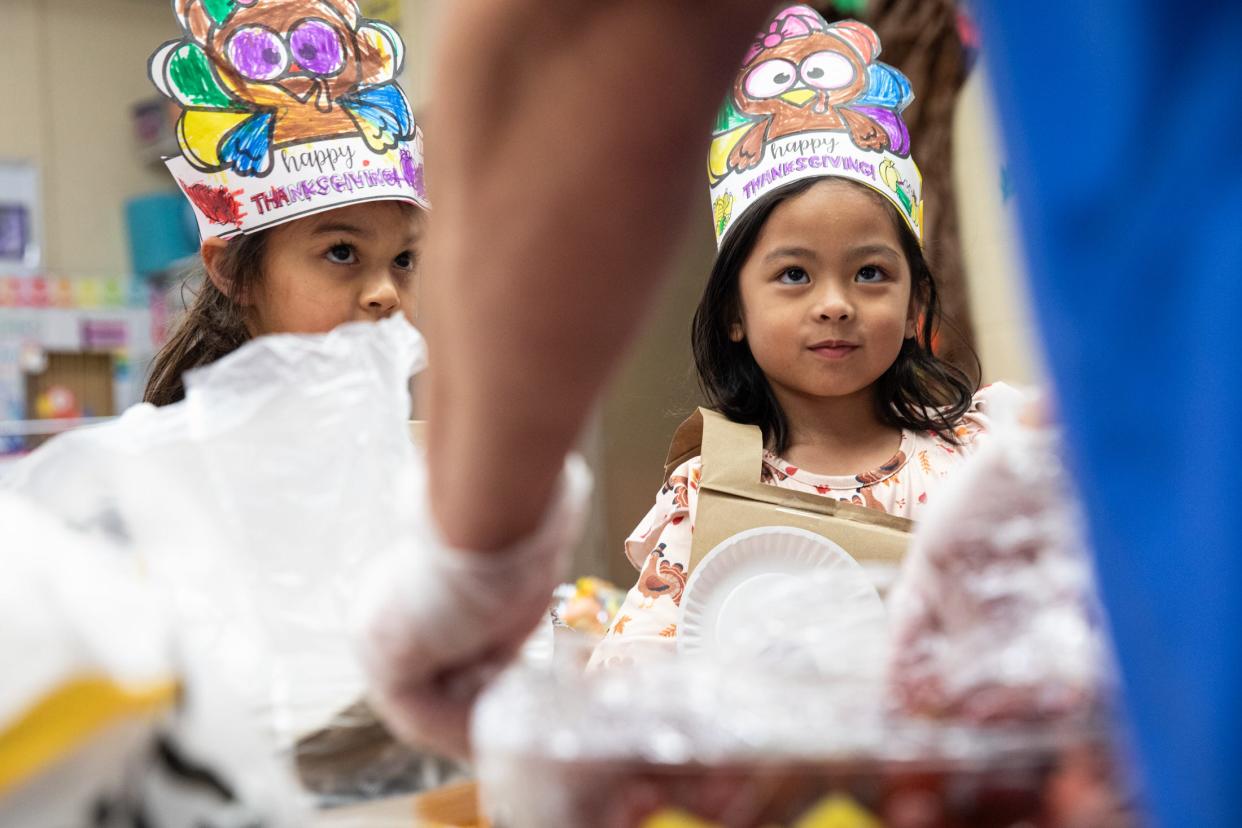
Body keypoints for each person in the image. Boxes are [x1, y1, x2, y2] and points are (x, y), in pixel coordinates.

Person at [587, 9, 1016, 667]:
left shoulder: (976, 464)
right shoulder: (709, 494)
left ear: (914, 305)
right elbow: (630, 677)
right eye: (794, 274)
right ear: (734, 309)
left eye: (870, 273)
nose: (836, 305)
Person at [142, 0, 428, 405]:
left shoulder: (413, 446)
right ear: (231, 272)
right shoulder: (186, 461)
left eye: (404, 260)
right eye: (342, 251)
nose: (386, 294)